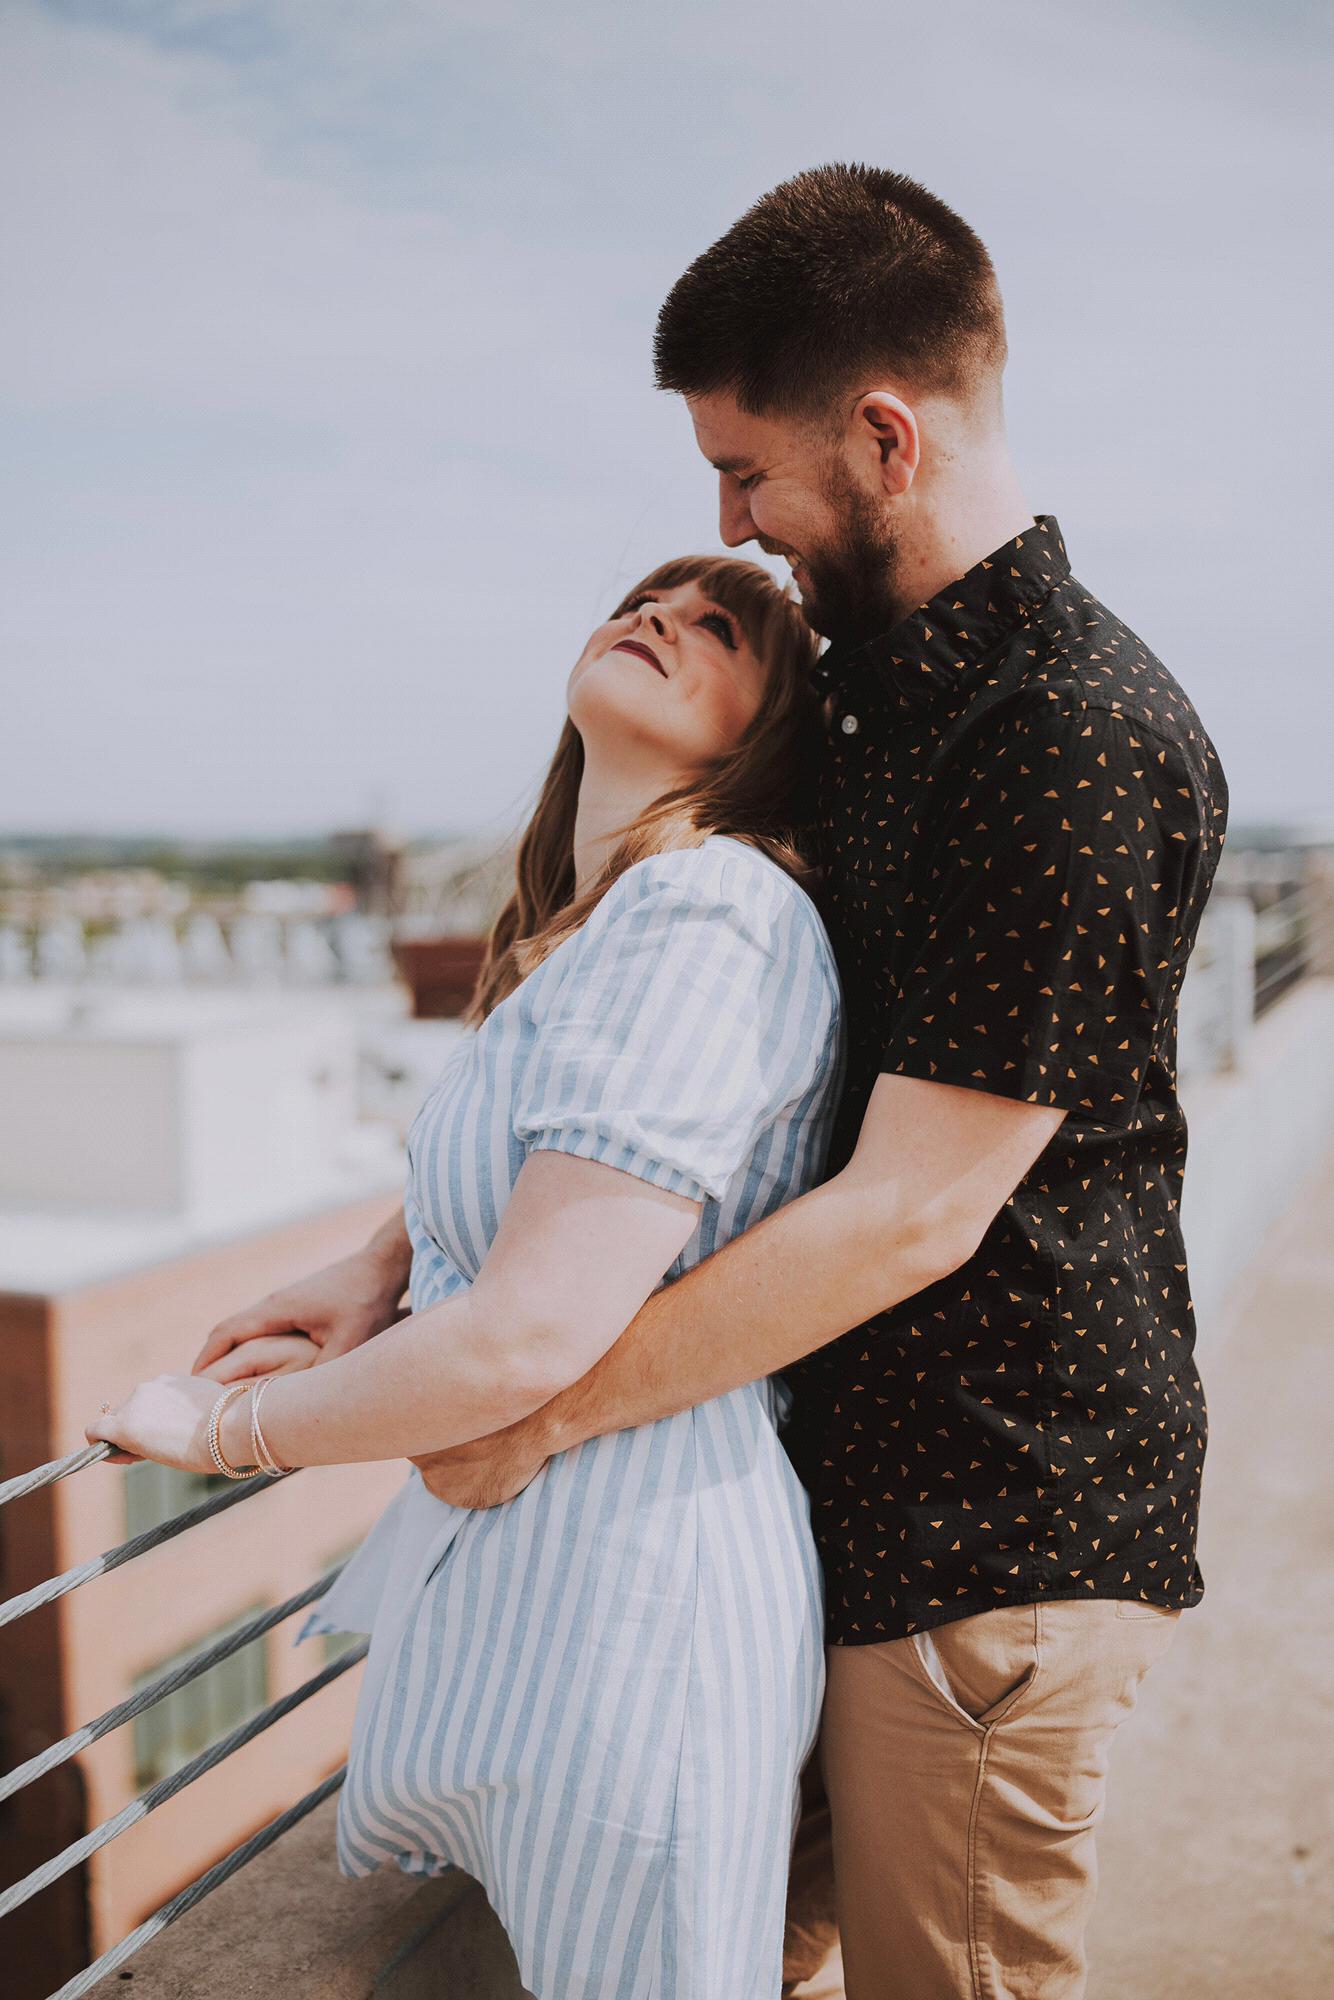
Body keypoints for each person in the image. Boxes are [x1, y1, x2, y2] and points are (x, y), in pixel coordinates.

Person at [405, 165, 1231, 2000]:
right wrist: (392, 1259)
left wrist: (533, 1410)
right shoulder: (875, 688)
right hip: (822, 1509)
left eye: (744, 473)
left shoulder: (1064, 734)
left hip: (986, 1531)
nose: (727, 525)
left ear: (882, 437)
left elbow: (914, 1209)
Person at [89, 553, 846, 2000]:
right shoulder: (594, 928)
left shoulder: (707, 912)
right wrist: (375, 1269)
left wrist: (227, 1429)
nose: (658, 619)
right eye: (645, 600)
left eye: (720, 628)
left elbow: (526, 1336)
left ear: (771, 735)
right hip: (548, 1595)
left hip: (633, 1615)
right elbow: (538, 1198)